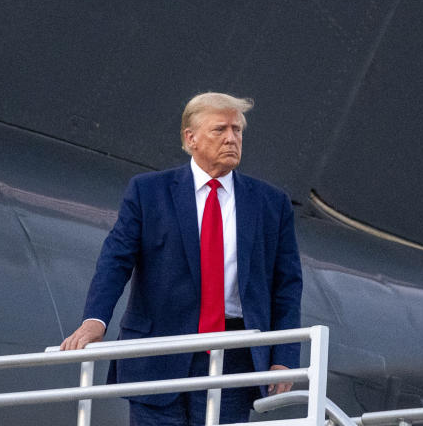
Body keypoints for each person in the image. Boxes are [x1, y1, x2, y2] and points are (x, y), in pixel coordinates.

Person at [61, 92, 302, 425]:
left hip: (234, 357)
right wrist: (95, 321)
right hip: (157, 352)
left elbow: (286, 285)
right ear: (191, 138)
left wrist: (284, 357)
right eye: (220, 130)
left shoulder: (270, 203)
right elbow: (115, 261)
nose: (231, 138)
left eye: (237, 130)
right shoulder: (149, 192)